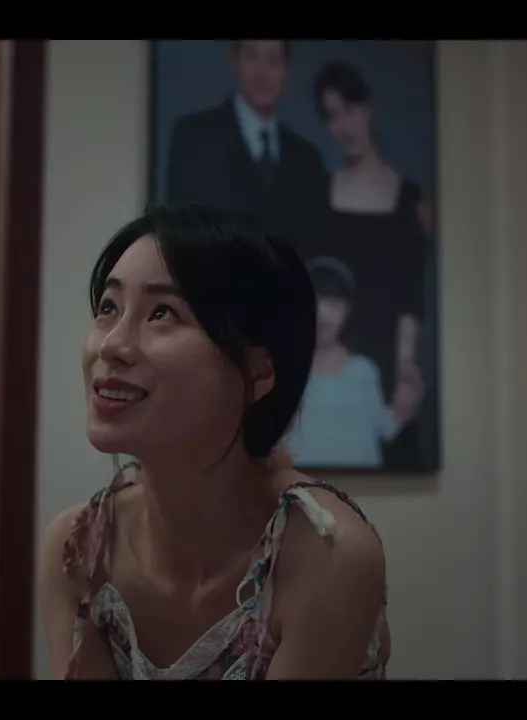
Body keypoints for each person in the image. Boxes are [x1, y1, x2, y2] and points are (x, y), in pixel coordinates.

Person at [37, 203, 390, 680]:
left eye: (162, 313)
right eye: (108, 308)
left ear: (259, 370)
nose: (111, 345)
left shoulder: (324, 553)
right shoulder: (78, 550)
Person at [312, 59, 431, 470]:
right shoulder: (320, 193)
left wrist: (405, 367)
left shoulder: (410, 199)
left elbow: (410, 294)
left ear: (369, 107)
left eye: (350, 108)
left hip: (385, 362)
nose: (344, 125)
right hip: (328, 363)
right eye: (332, 116)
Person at [164, 40, 328, 257]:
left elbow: (314, 251)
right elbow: (177, 236)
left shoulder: (307, 158)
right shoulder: (193, 138)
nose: (262, 72)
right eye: (252, 56)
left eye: (273, 60)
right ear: (235, 60)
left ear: (287, 71)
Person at [285, 257, 416, 469]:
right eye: (315, 303)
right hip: (302, 486)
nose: (324, 315)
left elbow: (385, 428)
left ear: (347, 311)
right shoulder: (286, 370)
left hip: (360, 486)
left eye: (334, 305)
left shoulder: (364, 371)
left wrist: (405, 404)